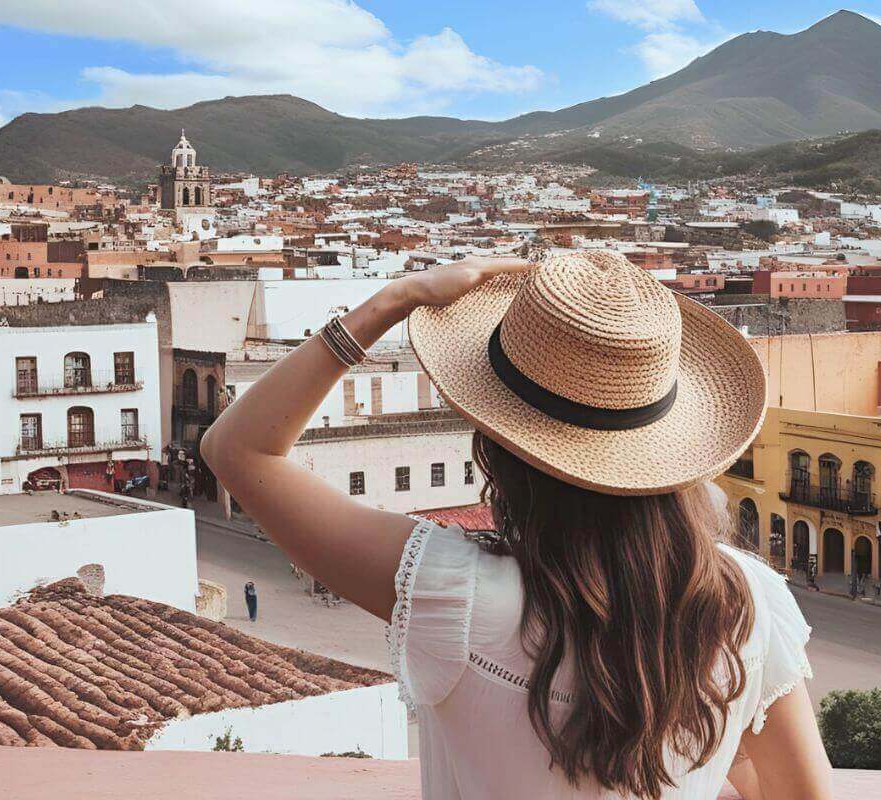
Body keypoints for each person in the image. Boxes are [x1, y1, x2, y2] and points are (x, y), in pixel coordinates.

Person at [201, 252, 833, 800]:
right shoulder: (747, 603)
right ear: (668, 444)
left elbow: (237, 451)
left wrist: (395, 300)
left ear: (498, 446)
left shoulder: (450, 589)